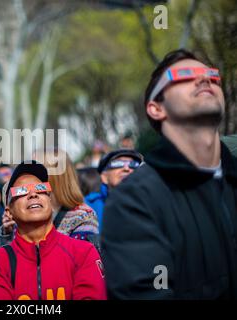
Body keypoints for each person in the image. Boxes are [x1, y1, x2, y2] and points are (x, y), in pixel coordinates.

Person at [102, 49, 237, 299]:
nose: (204, 79)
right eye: (184, 74)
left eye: (210, 74)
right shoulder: (133, 201)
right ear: (156, 108)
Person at [0, 161, 107, 300]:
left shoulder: (83, 252)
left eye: (41, 188)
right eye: (21, 191)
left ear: (50, 201)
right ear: (9, 212)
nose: (33, 194)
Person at [85, 149, 143, 231]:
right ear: (104, 177)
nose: (126, 168)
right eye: (118, 164)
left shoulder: (149, 203)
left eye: (133, 164)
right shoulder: (87, 206)